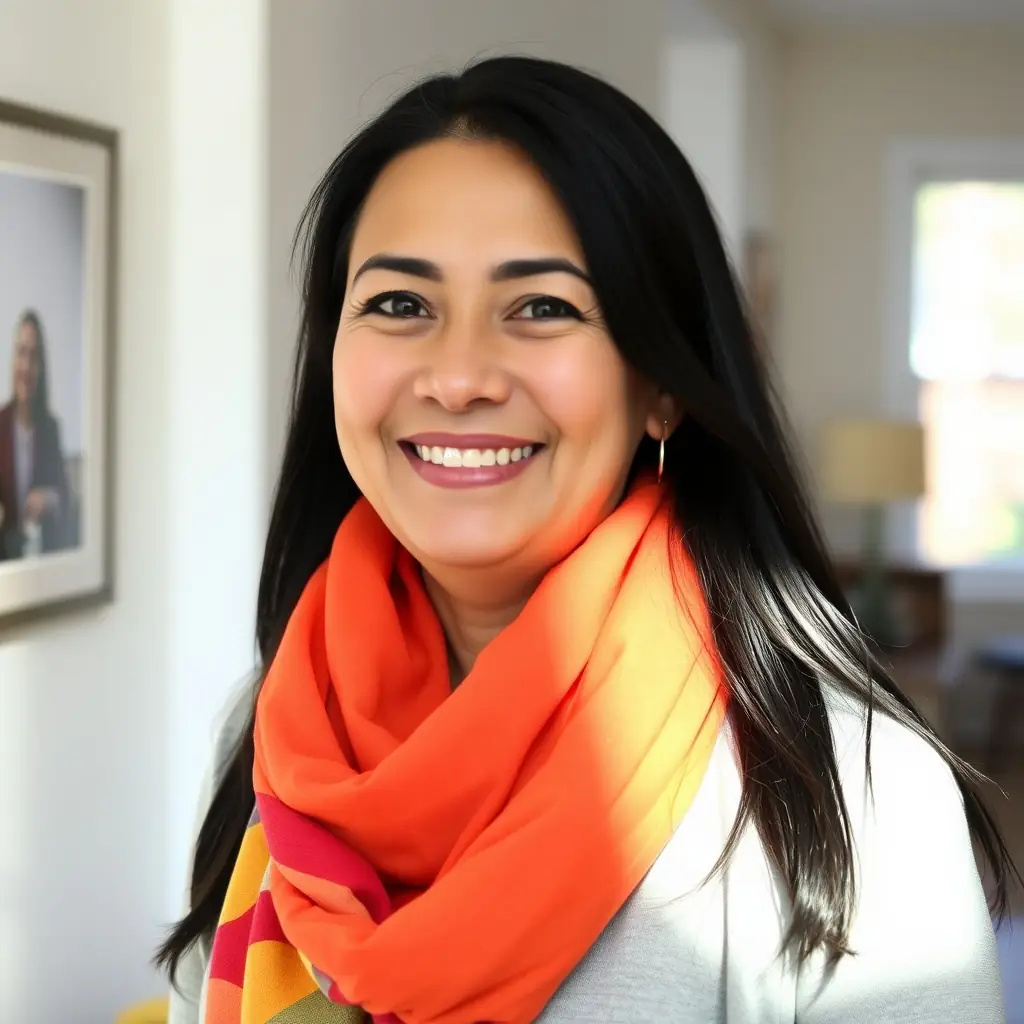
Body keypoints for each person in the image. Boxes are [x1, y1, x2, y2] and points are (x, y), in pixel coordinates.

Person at [157, 57, 1016, 1023]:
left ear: (662, 385)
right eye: (400, 304)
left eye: (542, 307)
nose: (459, 377)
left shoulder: (853, 793)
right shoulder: (272, 731)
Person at [0, 309, 70, 560]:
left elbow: (65, 497)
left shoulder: (51, 429)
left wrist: (50, 499)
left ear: (41, 368)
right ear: (13, 360)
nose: (27, 367)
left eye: (34, 356)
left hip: (41, 561)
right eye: (21, 353)